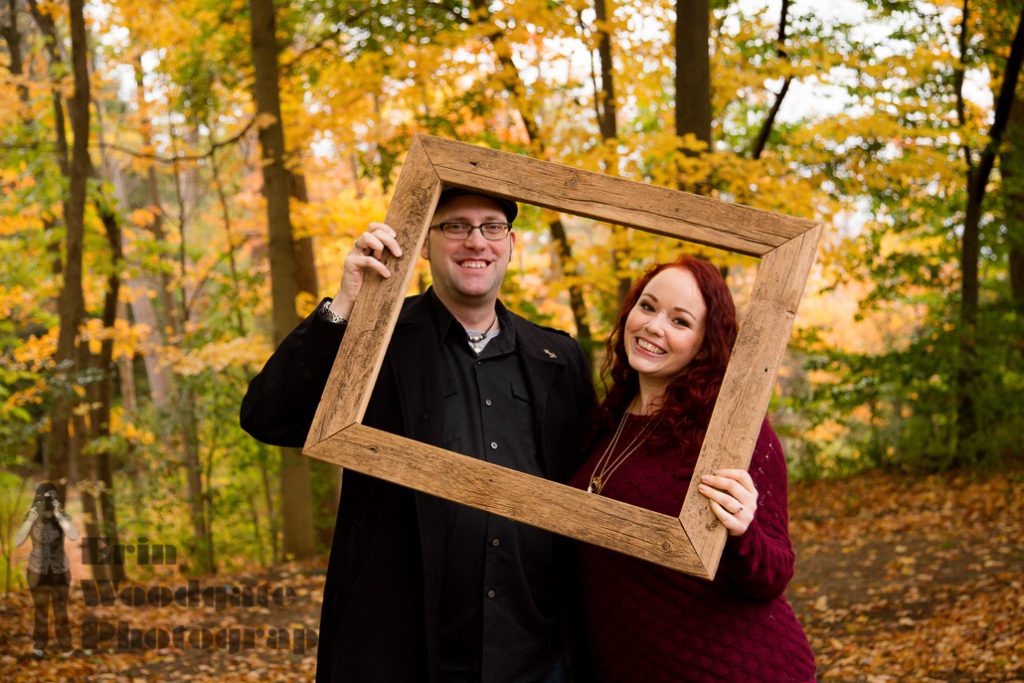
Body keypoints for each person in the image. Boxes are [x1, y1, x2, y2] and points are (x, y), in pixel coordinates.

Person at [241, 188, 596, 682]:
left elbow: (596, 488)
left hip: (534, 652)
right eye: (455, 226)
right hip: (405, 649)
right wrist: (345, 304)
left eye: (491, 227)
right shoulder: (375, 340)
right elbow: (268, 415)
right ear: (425, 245)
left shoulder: (557, 358)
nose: (476, 241)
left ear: (511, 243)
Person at [568, 255, 816, 682]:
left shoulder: (733, 431)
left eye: (680, 322)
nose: (654, 327)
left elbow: (774, 574)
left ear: (705, 342)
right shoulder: (606, 420)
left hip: (738, 670)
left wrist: (743, 530)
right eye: (647, 307)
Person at [14, 482, 80, 658]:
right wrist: (29, 520)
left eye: (50, 498)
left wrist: (59, 515)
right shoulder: (31, 516)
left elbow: (73, 535)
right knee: (40, 609)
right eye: (43, 498)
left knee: (61, 611)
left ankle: (66, 646)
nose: (47, 502)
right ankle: (39, 646)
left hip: (60, 571)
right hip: (37, 570)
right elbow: (17, 541)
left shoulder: (62, 517)